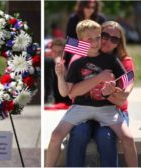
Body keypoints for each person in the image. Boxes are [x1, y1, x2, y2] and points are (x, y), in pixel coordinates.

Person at [45, 19, 137, 167]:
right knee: (56, 136)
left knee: (128, 138)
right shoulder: (76, 62)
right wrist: (60, 76)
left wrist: (115, 89)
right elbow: (65, 93)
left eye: (98, 37)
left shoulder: (112, 60)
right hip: (81, 107)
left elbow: (126, 82)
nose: (95, 42)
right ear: (81, 42)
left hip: (106, 108)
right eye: (90, 39)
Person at [64, 0, 106, 68]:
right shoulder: (73, 19)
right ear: (82, 6)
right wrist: (88, 49)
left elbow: (104, 38)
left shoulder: (101, 19)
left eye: (93, 7)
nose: (90, 10)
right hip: (77, 52)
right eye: (87, 7)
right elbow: (70, 42)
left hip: (97, 50)